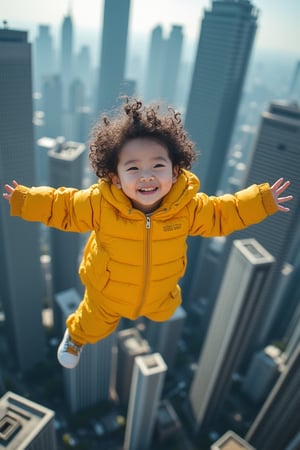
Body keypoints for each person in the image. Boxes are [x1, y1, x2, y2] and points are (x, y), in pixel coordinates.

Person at [2, 98, 293, 369]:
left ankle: (153, 308)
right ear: (115, 177)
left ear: (175, 171)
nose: (146, 176)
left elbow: (222, 213)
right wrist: (26, 200)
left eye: (158, 165)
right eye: (133, 168)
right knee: (92, 322)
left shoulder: (187, 207)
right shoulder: (99, 204)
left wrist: (261, 201)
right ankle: (75, 337)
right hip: (107, 292)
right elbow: (62, 206)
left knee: (166, 309)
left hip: (159, 290)